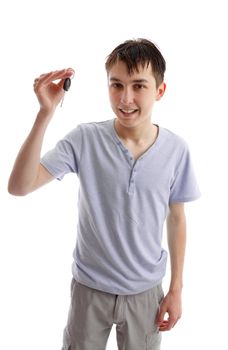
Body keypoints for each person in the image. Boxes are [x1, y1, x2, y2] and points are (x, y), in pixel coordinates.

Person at [8, 38, 201, 350]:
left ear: (159, 91)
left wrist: (176, 288)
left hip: (146, 293)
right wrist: (46, 113)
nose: (126, 98)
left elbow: (177, 219)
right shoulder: (85, 138)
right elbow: (19, 186)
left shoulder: (176, 150)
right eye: (116, 85)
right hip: (89, 290)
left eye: (139, 86)